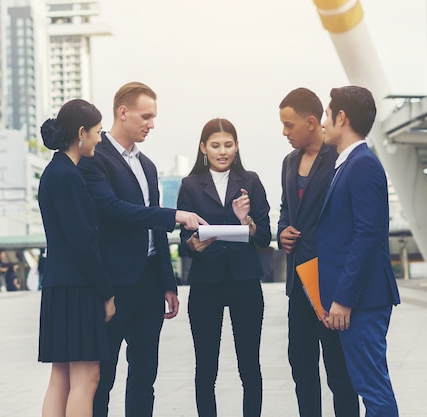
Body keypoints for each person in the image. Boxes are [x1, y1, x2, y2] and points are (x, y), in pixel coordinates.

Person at [77, 82, 206, 417]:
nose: (151, 124)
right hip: (113, 284)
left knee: (145, 375)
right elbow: (113, 209)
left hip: (149, 283)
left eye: (154, 117)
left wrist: (167, 282)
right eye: (146, 116)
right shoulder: (94, 157)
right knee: (102, 378)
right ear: (123, 112)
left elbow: (153, 228)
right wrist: (174, 215)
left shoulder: (148, 165)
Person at [177, 118, 271, 417]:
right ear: (203, 147)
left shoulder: (251, 181)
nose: (222, 151)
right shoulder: (190, 185)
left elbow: (265, 236)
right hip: (206, 282)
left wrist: (246, 220)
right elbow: (183, 240)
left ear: (237, 145)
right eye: (215, 145)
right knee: (206, 365)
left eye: (228, 145)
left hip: (244, 280)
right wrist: (193, 245)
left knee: (249, 364)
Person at [317, 86, 401, 417]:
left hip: (364, 301)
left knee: (373, 389)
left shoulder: (363, 164)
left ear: (341, 117)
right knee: (369, 386)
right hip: (361, 299)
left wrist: (344, 299)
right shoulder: (348, 164)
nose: (324, 122)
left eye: (326, 114)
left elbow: (368, 235)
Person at [277, 88, 359, 417]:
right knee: (301, 366)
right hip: (299, 281)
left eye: (289, 125)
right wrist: (282, 229)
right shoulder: (288, 162)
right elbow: (287, 207)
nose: (284, 132)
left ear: (312, 122)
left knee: (339, 372)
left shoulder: (339, 157)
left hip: (329, 279)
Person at [37, 99, 116, 417]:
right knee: (87, 379)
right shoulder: (69, 176)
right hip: (78, 289)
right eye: (97, 132)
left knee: (61, 380)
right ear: (81, 133)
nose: (100, 138)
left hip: (59, 286)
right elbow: (82, 243)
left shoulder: (53, 172)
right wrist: (106, 292)